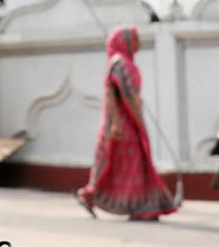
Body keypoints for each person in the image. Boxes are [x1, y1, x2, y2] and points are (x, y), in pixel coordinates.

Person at [76, 25, 179, 221]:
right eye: (135, 38)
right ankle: (101, 197)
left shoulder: (124, 62)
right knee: (121, 166)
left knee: (125, 166)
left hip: (128, 122)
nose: (138, 42)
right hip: (121, 125)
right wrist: (116, 122)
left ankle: (137, 204)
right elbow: (112, 94)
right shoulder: (119, 63)